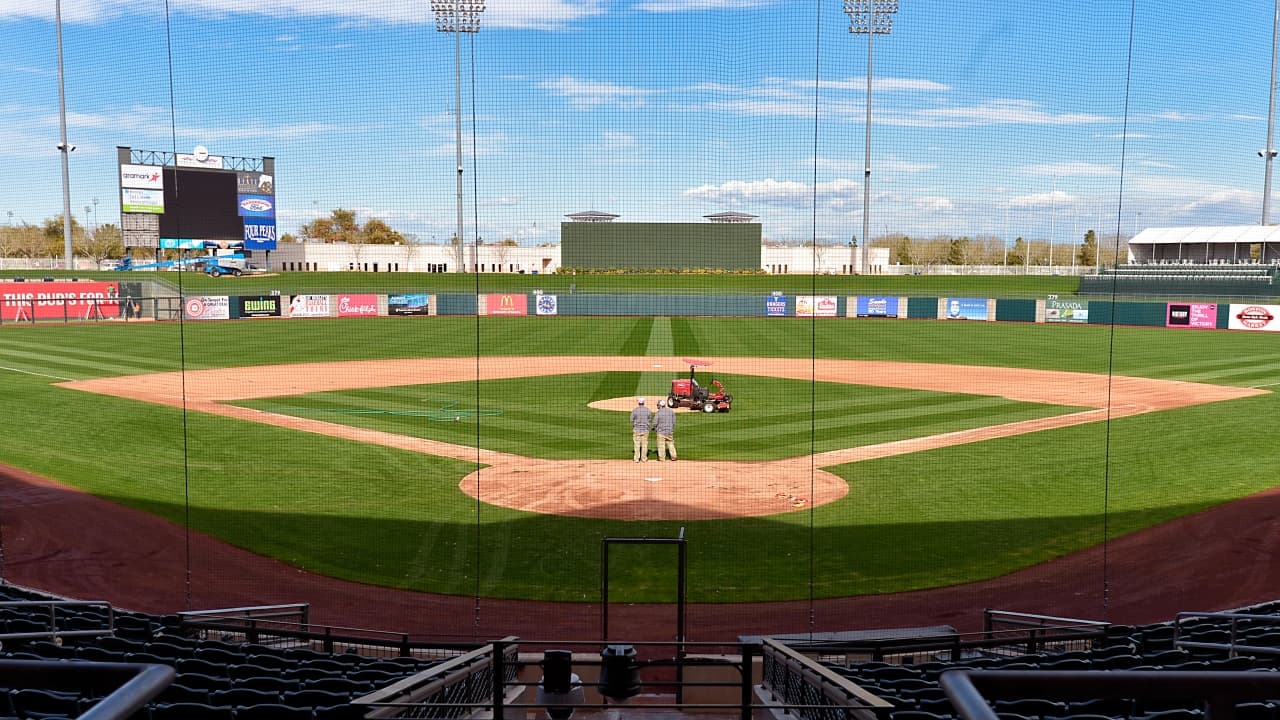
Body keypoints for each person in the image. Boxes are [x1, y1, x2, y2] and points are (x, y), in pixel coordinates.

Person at [629, 397, 652, 462]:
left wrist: (636, 423)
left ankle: (636, 459)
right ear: (644, 402)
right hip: (645, 430)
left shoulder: (635, 410)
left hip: (637, 430)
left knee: (637, 445)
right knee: (644, 445)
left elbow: (631, 420)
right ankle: (644, 458)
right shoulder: (648, 410)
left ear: (638, 403)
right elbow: (650, 419)